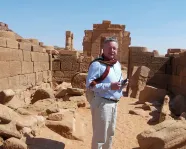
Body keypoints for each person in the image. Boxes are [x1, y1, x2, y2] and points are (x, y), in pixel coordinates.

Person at [86, 36, 128, 149]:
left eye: (114, 48)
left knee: (110, 134)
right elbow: (90, 85)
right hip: (102, 104)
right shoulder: (97, 65)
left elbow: (116, 82)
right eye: (109, 48)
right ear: (103, 49)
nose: (112, 50)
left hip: (114, 103)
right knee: (100, 137)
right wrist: (110, 86)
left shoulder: (117, 64)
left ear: (117, 50)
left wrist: (122, 84)